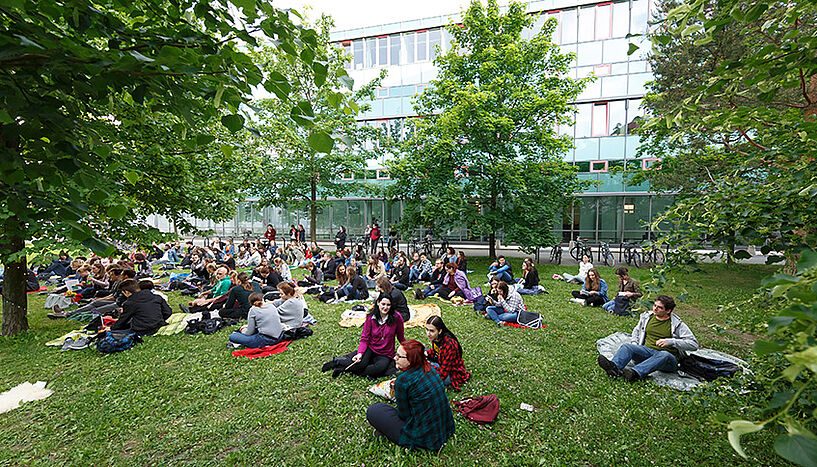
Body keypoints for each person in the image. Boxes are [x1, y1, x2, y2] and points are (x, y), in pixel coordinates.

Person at [366, 340, 455, 450]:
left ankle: (389, 433)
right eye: (396, 354)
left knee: (375, 410)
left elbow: (404, 415)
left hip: (424, 439)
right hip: (445, 429)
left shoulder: (403, 381)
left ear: (411, 360)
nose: (395, 358)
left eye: (399, 356)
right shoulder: (431, 369)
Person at [597, 295, 699, 381]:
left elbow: (693, 344)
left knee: (664, 354)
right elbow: (636, 332)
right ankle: (614, 368)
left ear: (668, 311)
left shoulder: (677, 324)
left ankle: (634, 373)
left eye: (659, 307)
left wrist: (670, 341)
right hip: (647, 352)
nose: (655, 308)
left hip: (668, 360)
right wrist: (635, 345)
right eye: (654, 305)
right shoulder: (647, 317)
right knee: (627, 346)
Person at [323, 295, 405, 379]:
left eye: (388, 305)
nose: (385, 307)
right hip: (371, 348)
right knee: (360, 363)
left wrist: (408, 350)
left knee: (379, 369)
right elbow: (364, 338)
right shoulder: (370, 317)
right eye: (383, 304)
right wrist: (360, 353)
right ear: (378, 303)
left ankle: (344, 369)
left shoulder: (396, 317)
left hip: (386, 353)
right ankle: (337, 361)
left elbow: (401, 337)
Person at [425, 316, 470, 389]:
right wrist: (426, 353)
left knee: (423, 368)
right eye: (427, 330)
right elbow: (436, 351)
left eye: (432, 331)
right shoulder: (436, 338)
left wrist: (427, 364)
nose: (428, 334)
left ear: (439, 331)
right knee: (421, 351)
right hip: (441, 363)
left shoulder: (449, 345)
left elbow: (443, 374)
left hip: (452, 374)